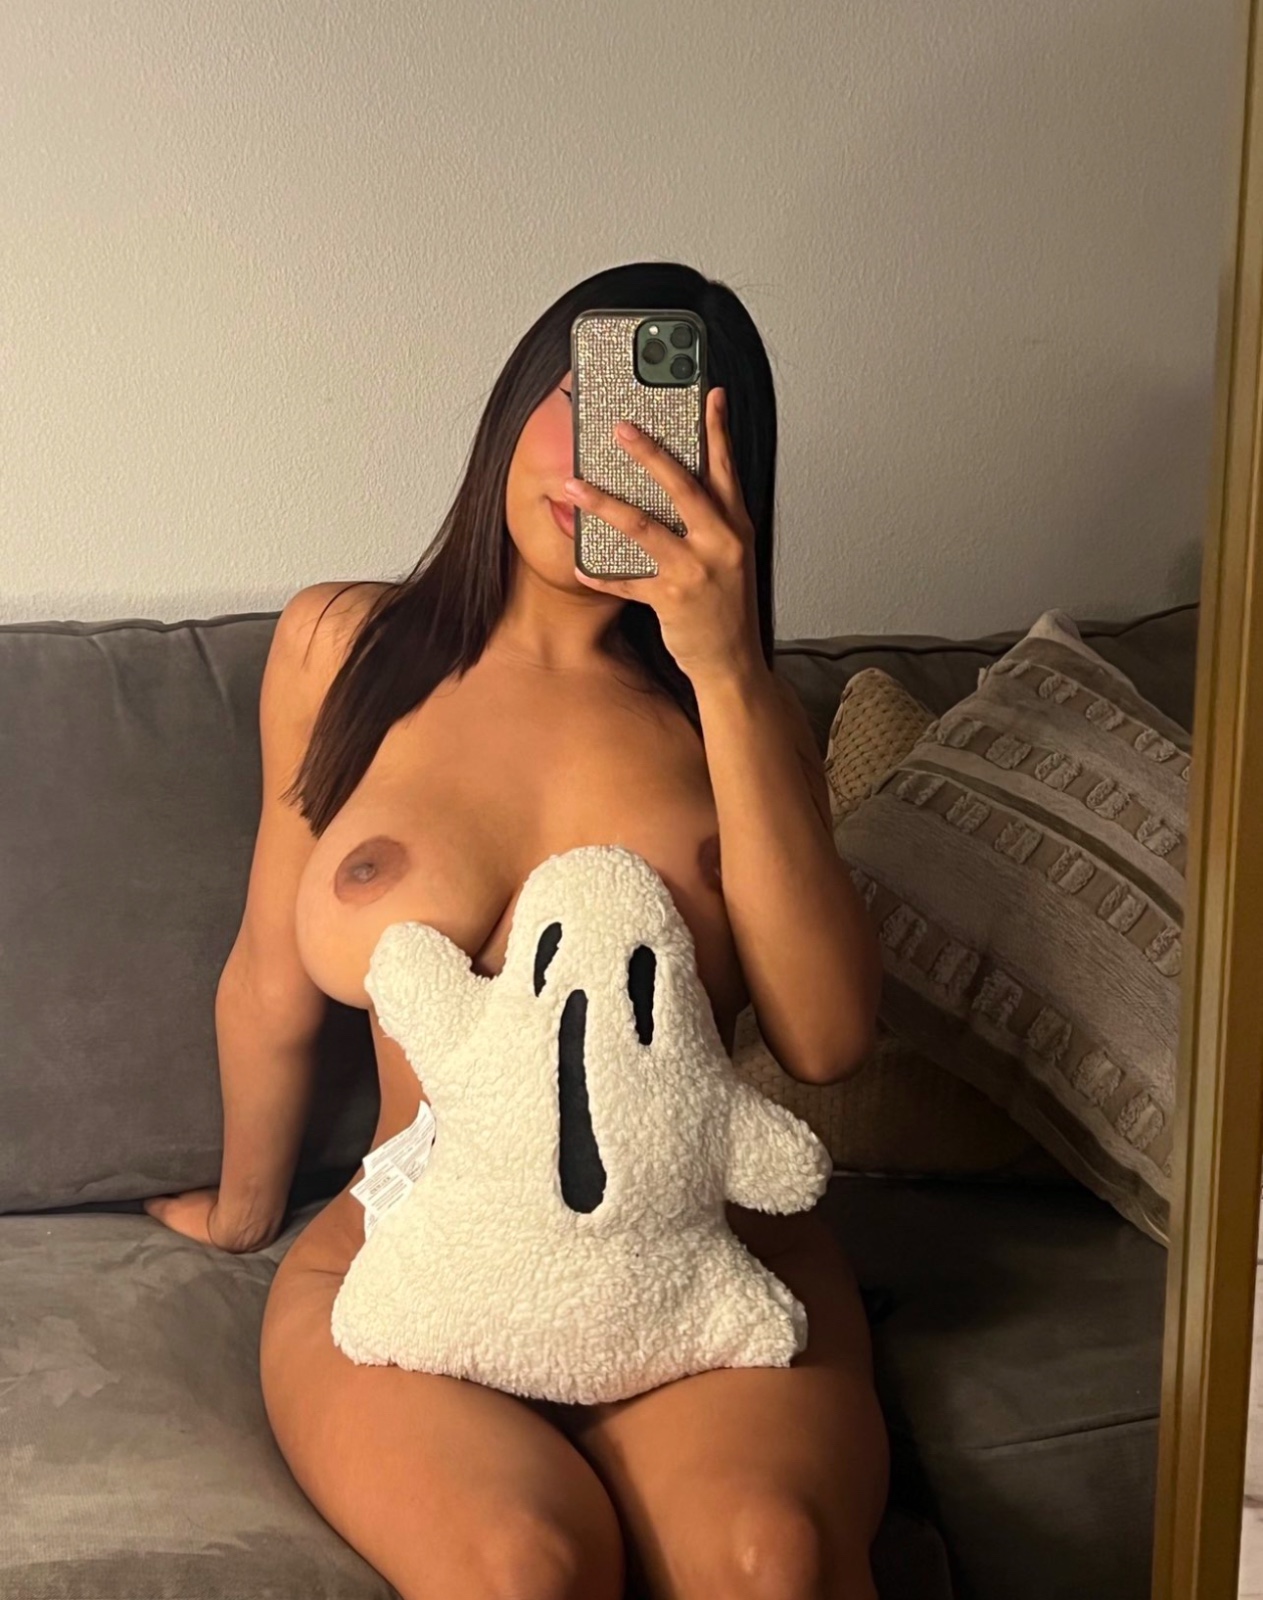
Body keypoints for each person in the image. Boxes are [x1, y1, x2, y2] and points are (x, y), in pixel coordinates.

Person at [143, 260, 891, 1600]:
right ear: (519, 400)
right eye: (588, 400)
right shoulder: (342, 648)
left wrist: (725, 668)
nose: (614, 458)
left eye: (667, 431)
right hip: (414, 1243)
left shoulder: (742, 717)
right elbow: (269, 977)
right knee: (519, 1573)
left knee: (771, 1564)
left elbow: (827, 1043)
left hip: (694, 1256)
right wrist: (245, 1206)